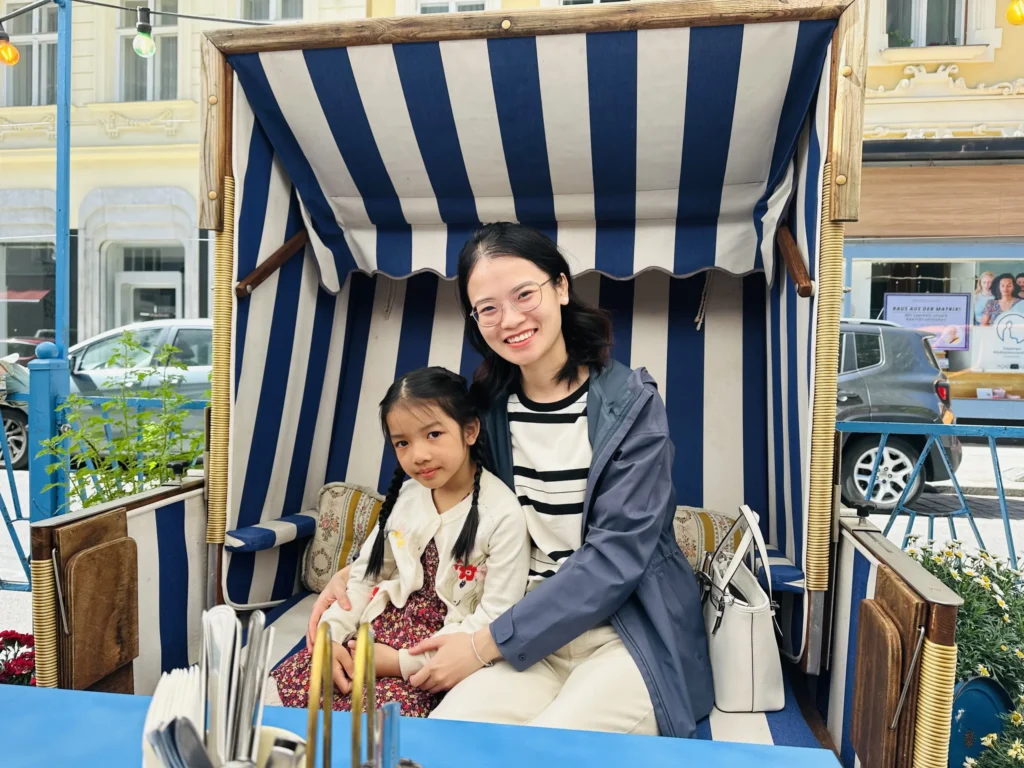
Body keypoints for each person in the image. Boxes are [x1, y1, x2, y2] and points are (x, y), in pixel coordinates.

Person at [308, 223, 714, 738]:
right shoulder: (485, 410)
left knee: (549, 746)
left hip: (626, 633)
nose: (511, 320)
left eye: (524, 294)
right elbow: (437, 501)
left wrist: (481, 646)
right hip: (521, 631)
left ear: (560, 287)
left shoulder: (633, 406)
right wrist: (354, 574)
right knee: (446, 738)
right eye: (488, 308)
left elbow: (617, 556)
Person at [269, 366, 529, 717]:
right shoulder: (406, 498)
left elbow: (494, 618)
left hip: (437, 658)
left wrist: (399, 662)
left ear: (470, 430)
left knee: (379, 726)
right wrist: (333, 636)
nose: (418, 455)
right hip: (372, 635)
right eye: (402, 443)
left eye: (433, 434)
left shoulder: (502, 515)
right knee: (285, 696)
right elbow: (365, 578)